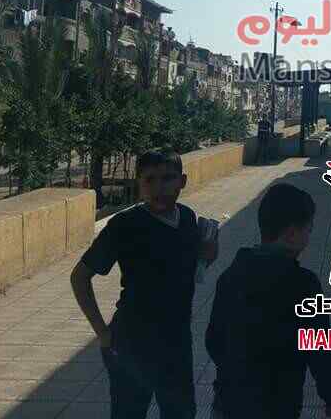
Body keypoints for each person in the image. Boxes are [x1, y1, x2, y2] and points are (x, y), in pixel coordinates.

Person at [70, 149, 219, 419]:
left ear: (182, 181)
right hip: (132, 343)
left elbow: (193, 266)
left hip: (176, 343)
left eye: (167, 178)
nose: (158, 188)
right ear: (139, 183)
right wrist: (102, 333)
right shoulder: (125, 225)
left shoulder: (188, 219)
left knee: (181, 413)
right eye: (149, 179)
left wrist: (209, 253)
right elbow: (80, 277)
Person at [206, 183, 331, 419]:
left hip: (228, 402)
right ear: (291, 234)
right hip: (278, 406)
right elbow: (320, 352)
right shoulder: (304, 285)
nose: (309, 237)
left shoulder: (230, 275)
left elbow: (213, 340)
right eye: (308, 230)